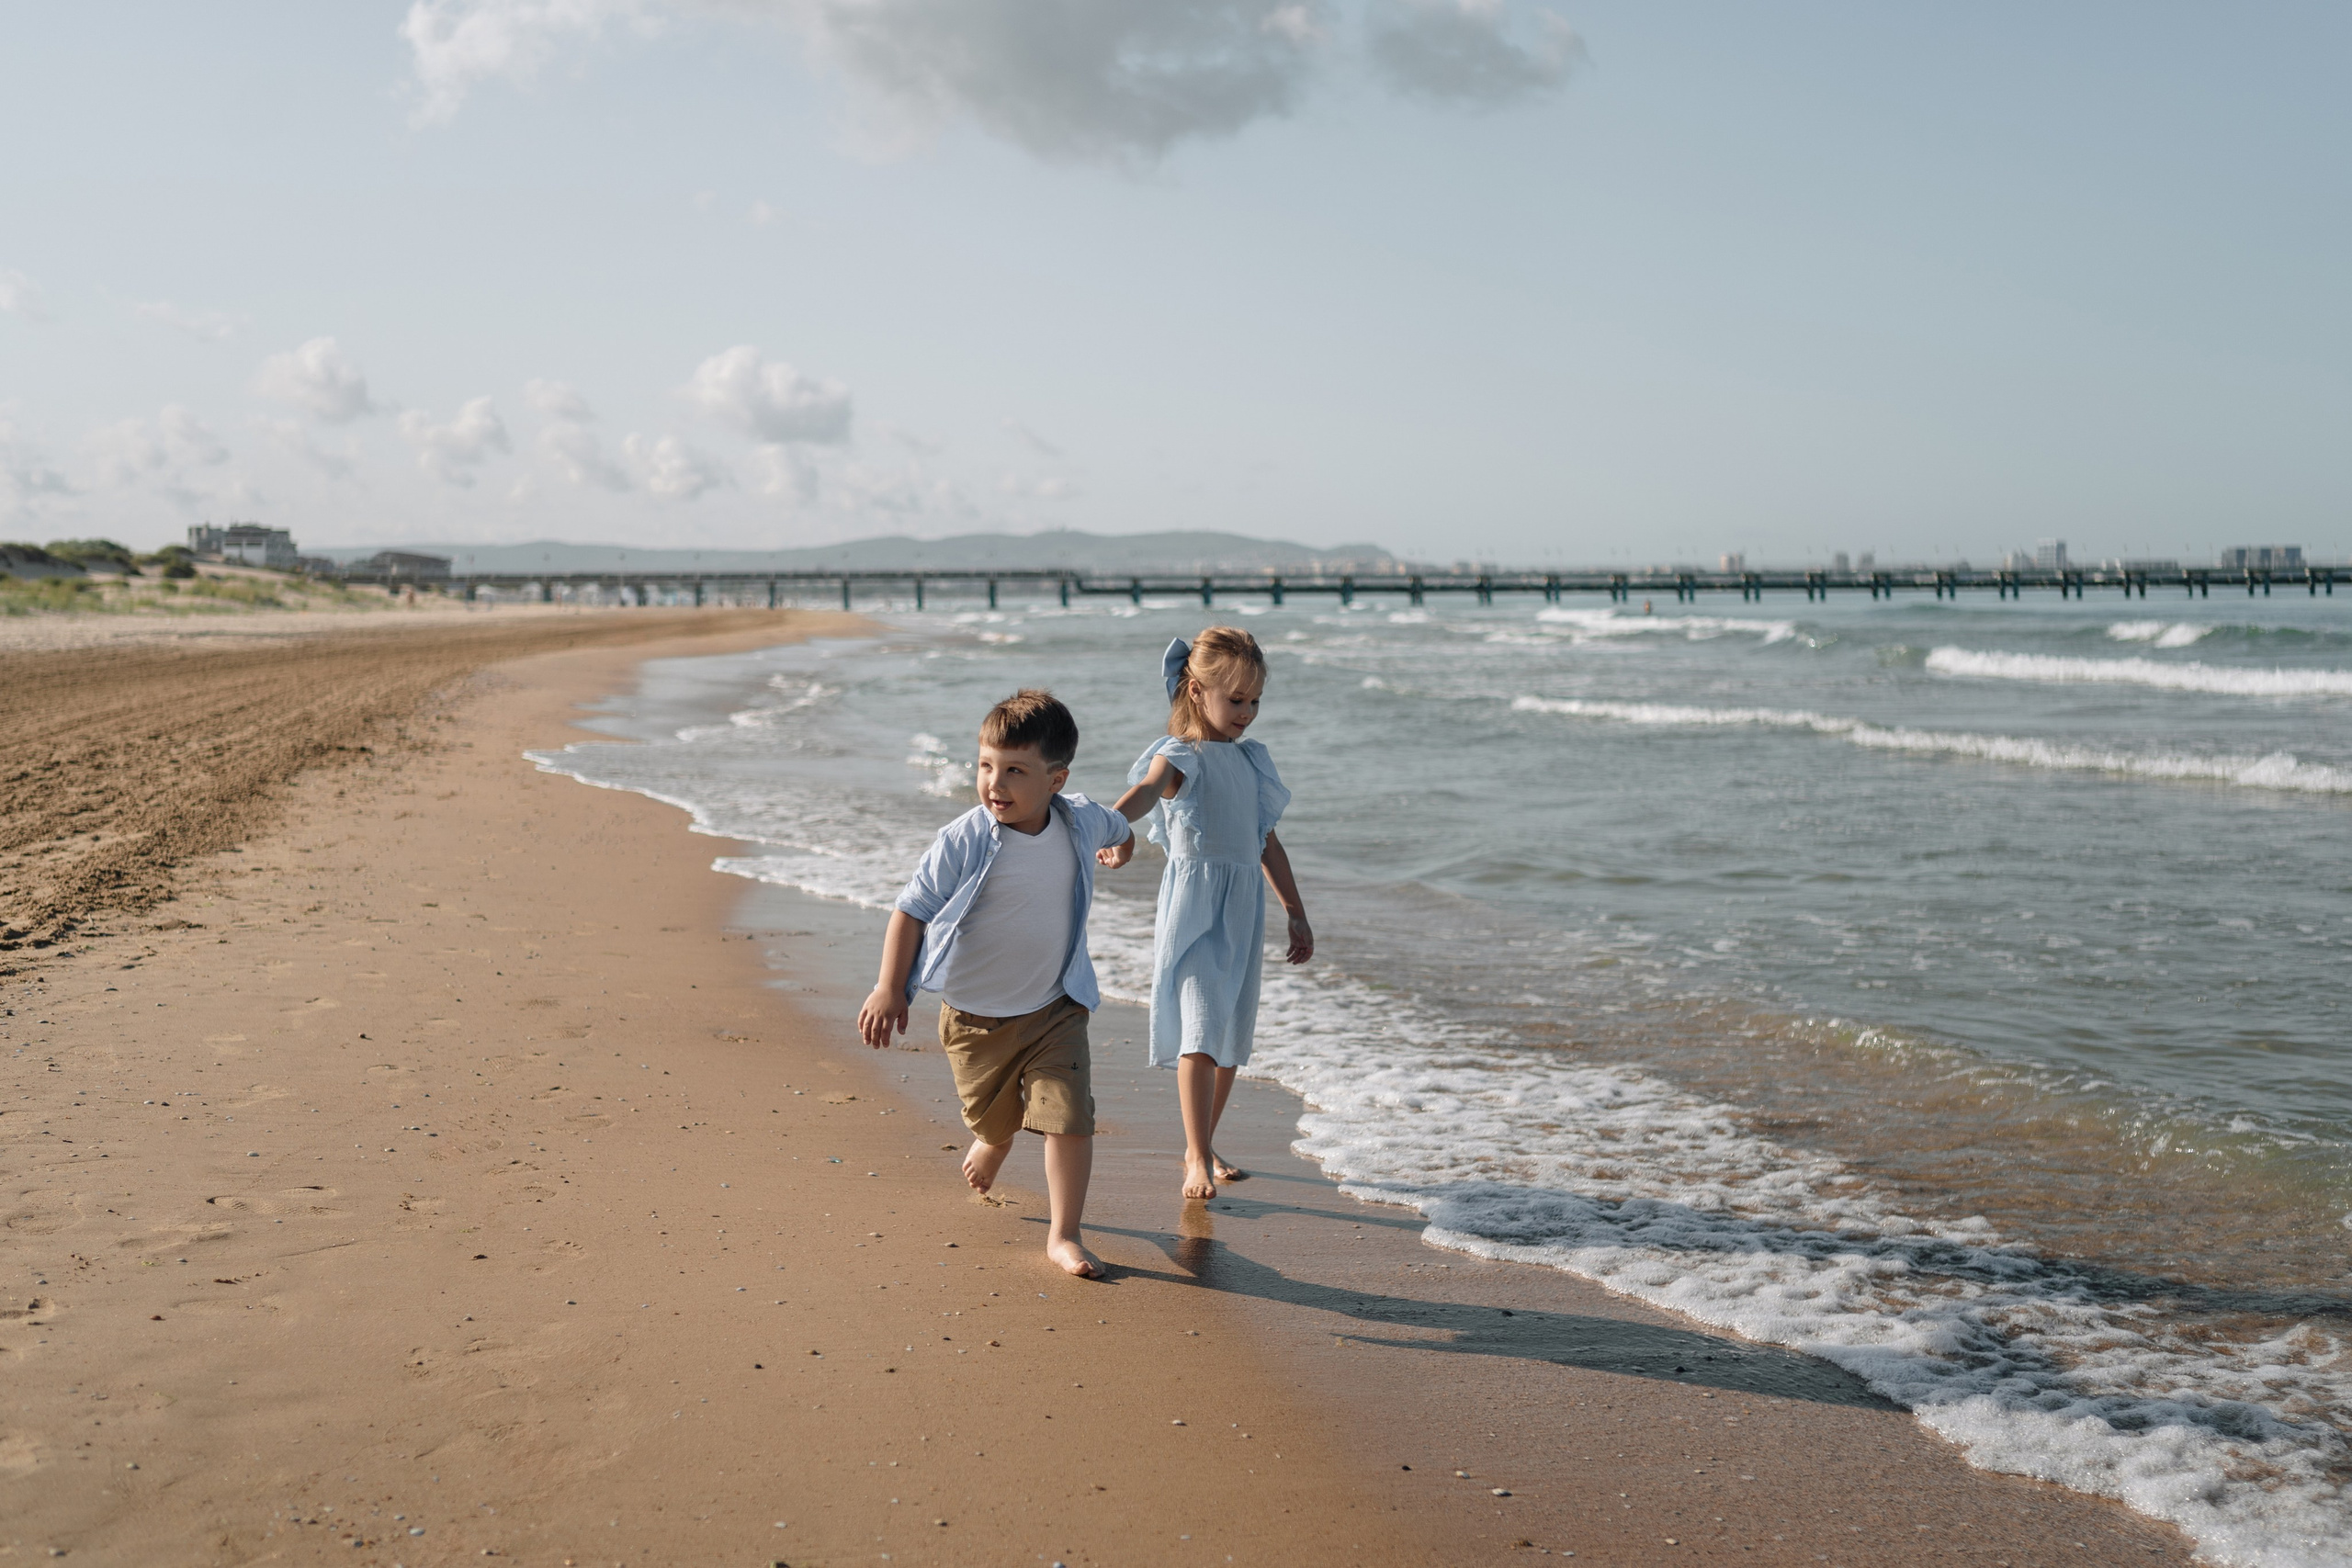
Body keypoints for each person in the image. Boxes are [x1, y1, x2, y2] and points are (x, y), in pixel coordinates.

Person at [857, 689, 1148, 1280]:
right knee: (993, 1119)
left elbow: (1121, 826)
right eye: (986, 766)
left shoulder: (1081, 819)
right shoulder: (963, 838)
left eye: (1015, 770)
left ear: (1057, 779)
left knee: (1069, 1117)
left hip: (1055, 1006)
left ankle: (1064, 1235)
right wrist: (890, 986)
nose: (995, 783)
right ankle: (995, 1137)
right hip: (974, 1019)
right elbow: (912, 910)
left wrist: (1123, 844)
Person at [1112, 628, 1314, 1201]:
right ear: (1197, 692)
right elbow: (1148, 793)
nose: (1247, 713)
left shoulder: (1252, 762)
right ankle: (1195, 1155)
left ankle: (1204, 1141)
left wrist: (1295, 913)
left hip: (1244, 911)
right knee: (1199, 1029)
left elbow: (1266, 843)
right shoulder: (1178, 757)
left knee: (1227, 1038)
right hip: (1195, 912)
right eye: (1236, 700)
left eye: (1255, 701)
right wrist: (1106, 824)